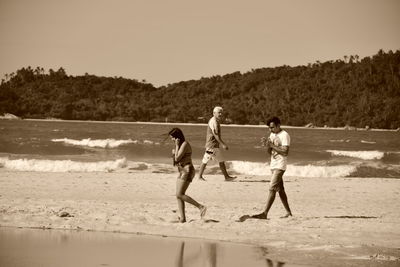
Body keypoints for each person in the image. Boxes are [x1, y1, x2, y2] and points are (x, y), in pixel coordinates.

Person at [251, 116, 292, 219]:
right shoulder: (272, 134)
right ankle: (288, 213)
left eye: (272, 127)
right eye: (269, 128)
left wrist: (271, 145)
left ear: (278, 125)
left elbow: (285, 152)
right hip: (273, 164)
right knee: (280, 190)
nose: (270, 129)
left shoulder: (285, 135)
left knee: (272, 188)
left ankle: (265, 213)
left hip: (280, 165)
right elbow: (270, 152)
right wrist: (267, 145)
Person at [169, 128, 207, 223]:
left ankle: (201, 207)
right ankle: (183, 218)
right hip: (181, 171)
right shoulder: (179, 146)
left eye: (172, 138)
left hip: (187, 170)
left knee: (179, 194)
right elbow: (175, 163)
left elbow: (177, 158)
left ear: (177, 137)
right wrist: (174, 153)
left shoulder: (185, 144)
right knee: (178, 196)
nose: (172, 140)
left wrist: (176, 147)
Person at [197, 106, 236, 181]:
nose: (220, 114)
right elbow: (216, 135)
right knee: (205, 161)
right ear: (214, 113)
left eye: (221, 112)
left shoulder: (216, 121)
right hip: (211, 146)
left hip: (215, 146)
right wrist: (223, 144)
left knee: (221, 161)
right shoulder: (213, 121)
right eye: (219, 112)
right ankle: (199, 176)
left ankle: (227, 177)